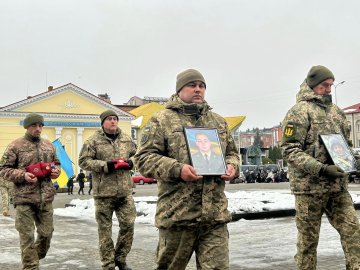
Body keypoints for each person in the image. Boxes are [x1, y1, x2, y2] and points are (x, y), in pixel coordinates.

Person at [134, 69, 239, 270]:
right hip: (178, 216)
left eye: (202, 86)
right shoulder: (161, 120)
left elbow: (232, 153)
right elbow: (144, 158)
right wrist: (177, 169)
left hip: (214, 216)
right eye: (192, 85)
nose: (198, 89)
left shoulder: (218, 121)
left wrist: (233, 166)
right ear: (180, 89)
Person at [280, 65, 360, 269]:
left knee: (353, 234)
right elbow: (290, 150)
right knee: (308, 243)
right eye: (325, 85)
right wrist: (321, 169)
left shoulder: (336, 112)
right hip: (308, 189)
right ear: (313, 84)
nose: (329, 89)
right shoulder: (298, 112)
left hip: (337, 188)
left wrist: (352, 162)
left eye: (331, 85)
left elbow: (345, 146)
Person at [0, 113, 61, 269]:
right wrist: (22, 175)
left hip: (45, 198)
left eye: (40, 126)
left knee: (46, 234)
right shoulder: (16, 146)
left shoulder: (49, 145)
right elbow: (3, 169)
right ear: (27, 126)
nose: (38, 129)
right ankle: (31, 266)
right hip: (24, 199)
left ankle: (33, 258)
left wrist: (56, 171)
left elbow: (56, 164)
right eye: (34, 125)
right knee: (27, 237)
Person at [78, 109, 136, 270]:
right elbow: (83, 161)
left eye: (115, 119)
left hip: (125, 191)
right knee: (105, 232)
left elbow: (139, 155)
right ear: (103, 122)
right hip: (103, 192)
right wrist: (105, 165)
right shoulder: (93, 141)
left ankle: (120, 258)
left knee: (128, 225)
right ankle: (108, 264)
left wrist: (131, 162)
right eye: (109, 119)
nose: (113, 121)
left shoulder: (126, 139)